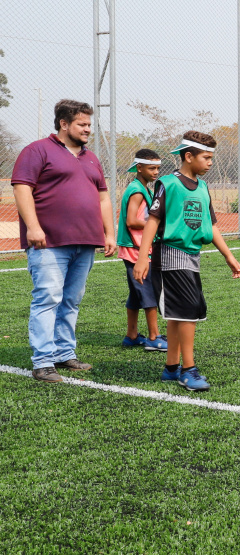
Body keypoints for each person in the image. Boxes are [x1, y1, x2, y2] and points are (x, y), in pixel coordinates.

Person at [12, 99, 116, 383]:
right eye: (82, 124)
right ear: (64, 124)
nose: (88, 129)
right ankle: (43, 362)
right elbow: (22, 188)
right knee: (48, 298)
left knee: (71, 300)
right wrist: (33, 227)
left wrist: (109, 233)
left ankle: (64, 352)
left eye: (89, 124)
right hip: (49, 242)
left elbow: (103, 198)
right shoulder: (37, 150)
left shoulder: (91, 158)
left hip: (86, 242)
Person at [133, 131, 240, 392]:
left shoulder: (203, 187)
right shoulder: (168, 183)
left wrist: (228, 255)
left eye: (212, 157)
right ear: (189, 156)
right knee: (189, 312)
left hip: (192, 256)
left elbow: (211, 226)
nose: (210, 162)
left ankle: (171, 368)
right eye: (206, 157)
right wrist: (142, 258)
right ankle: (188, 369)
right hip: (170, 255)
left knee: (178, 314)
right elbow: (153, 221)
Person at [117, 149, 167, 352]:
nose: (156, 172)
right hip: (135, 249)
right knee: (147, 291)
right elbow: (131, 221)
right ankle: (154, 337)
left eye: (158, 168)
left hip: (136, 247)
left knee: (136, 294)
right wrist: (156, 224)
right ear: (139, 168)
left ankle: (132, 335)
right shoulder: (137, 191)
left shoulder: (142, 188)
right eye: (151, 168)